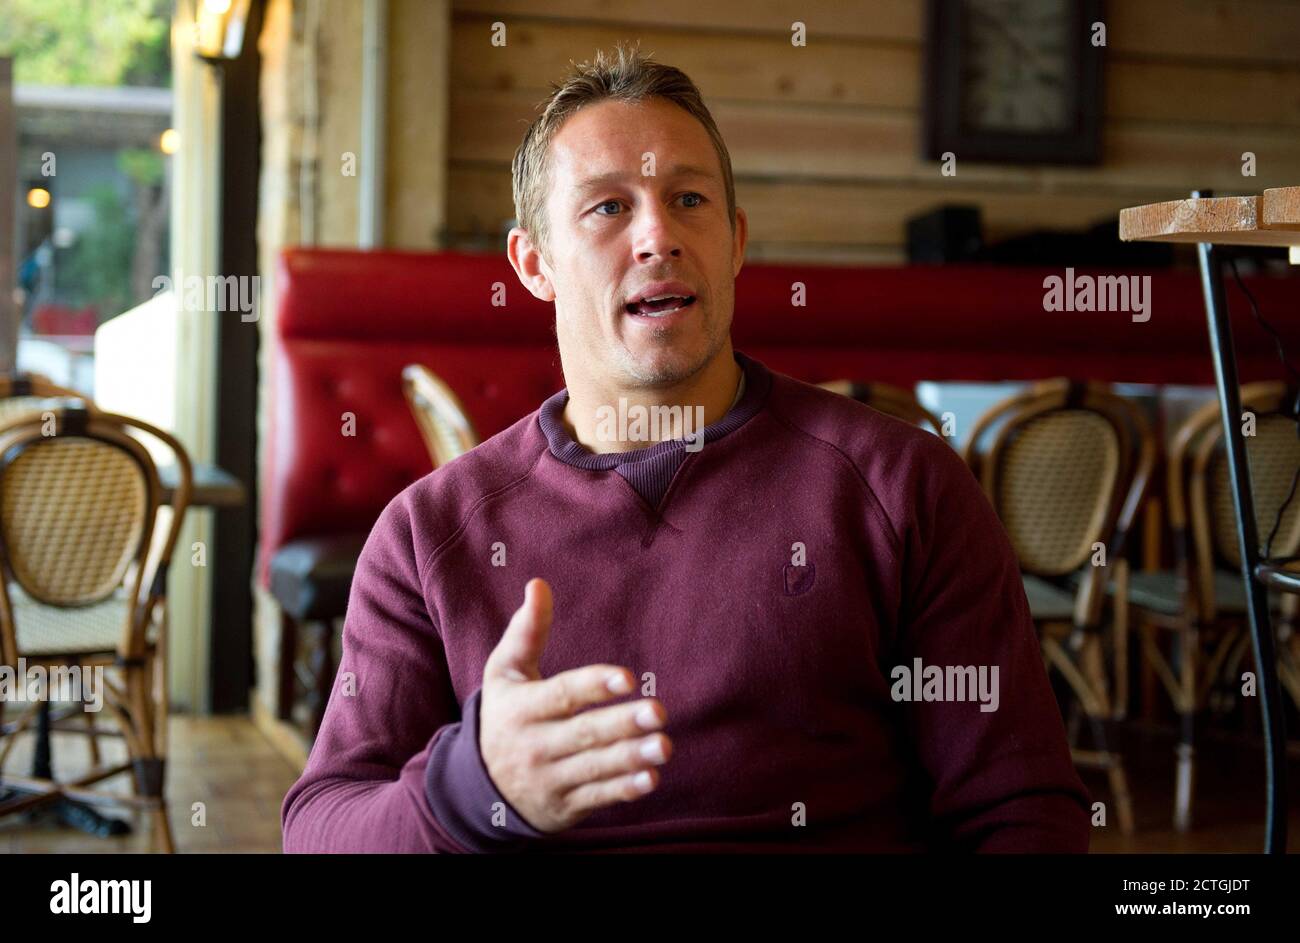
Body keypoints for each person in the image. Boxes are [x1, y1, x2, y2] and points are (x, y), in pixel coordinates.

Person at [281, 45, 1091, 853]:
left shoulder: (901, 485)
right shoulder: (428, 532)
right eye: (607, 207)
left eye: (689, 197)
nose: (658, 235)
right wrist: (473, 788)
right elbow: (319, 828)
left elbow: (1022, 812)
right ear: (535, 264)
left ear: (734, 242)